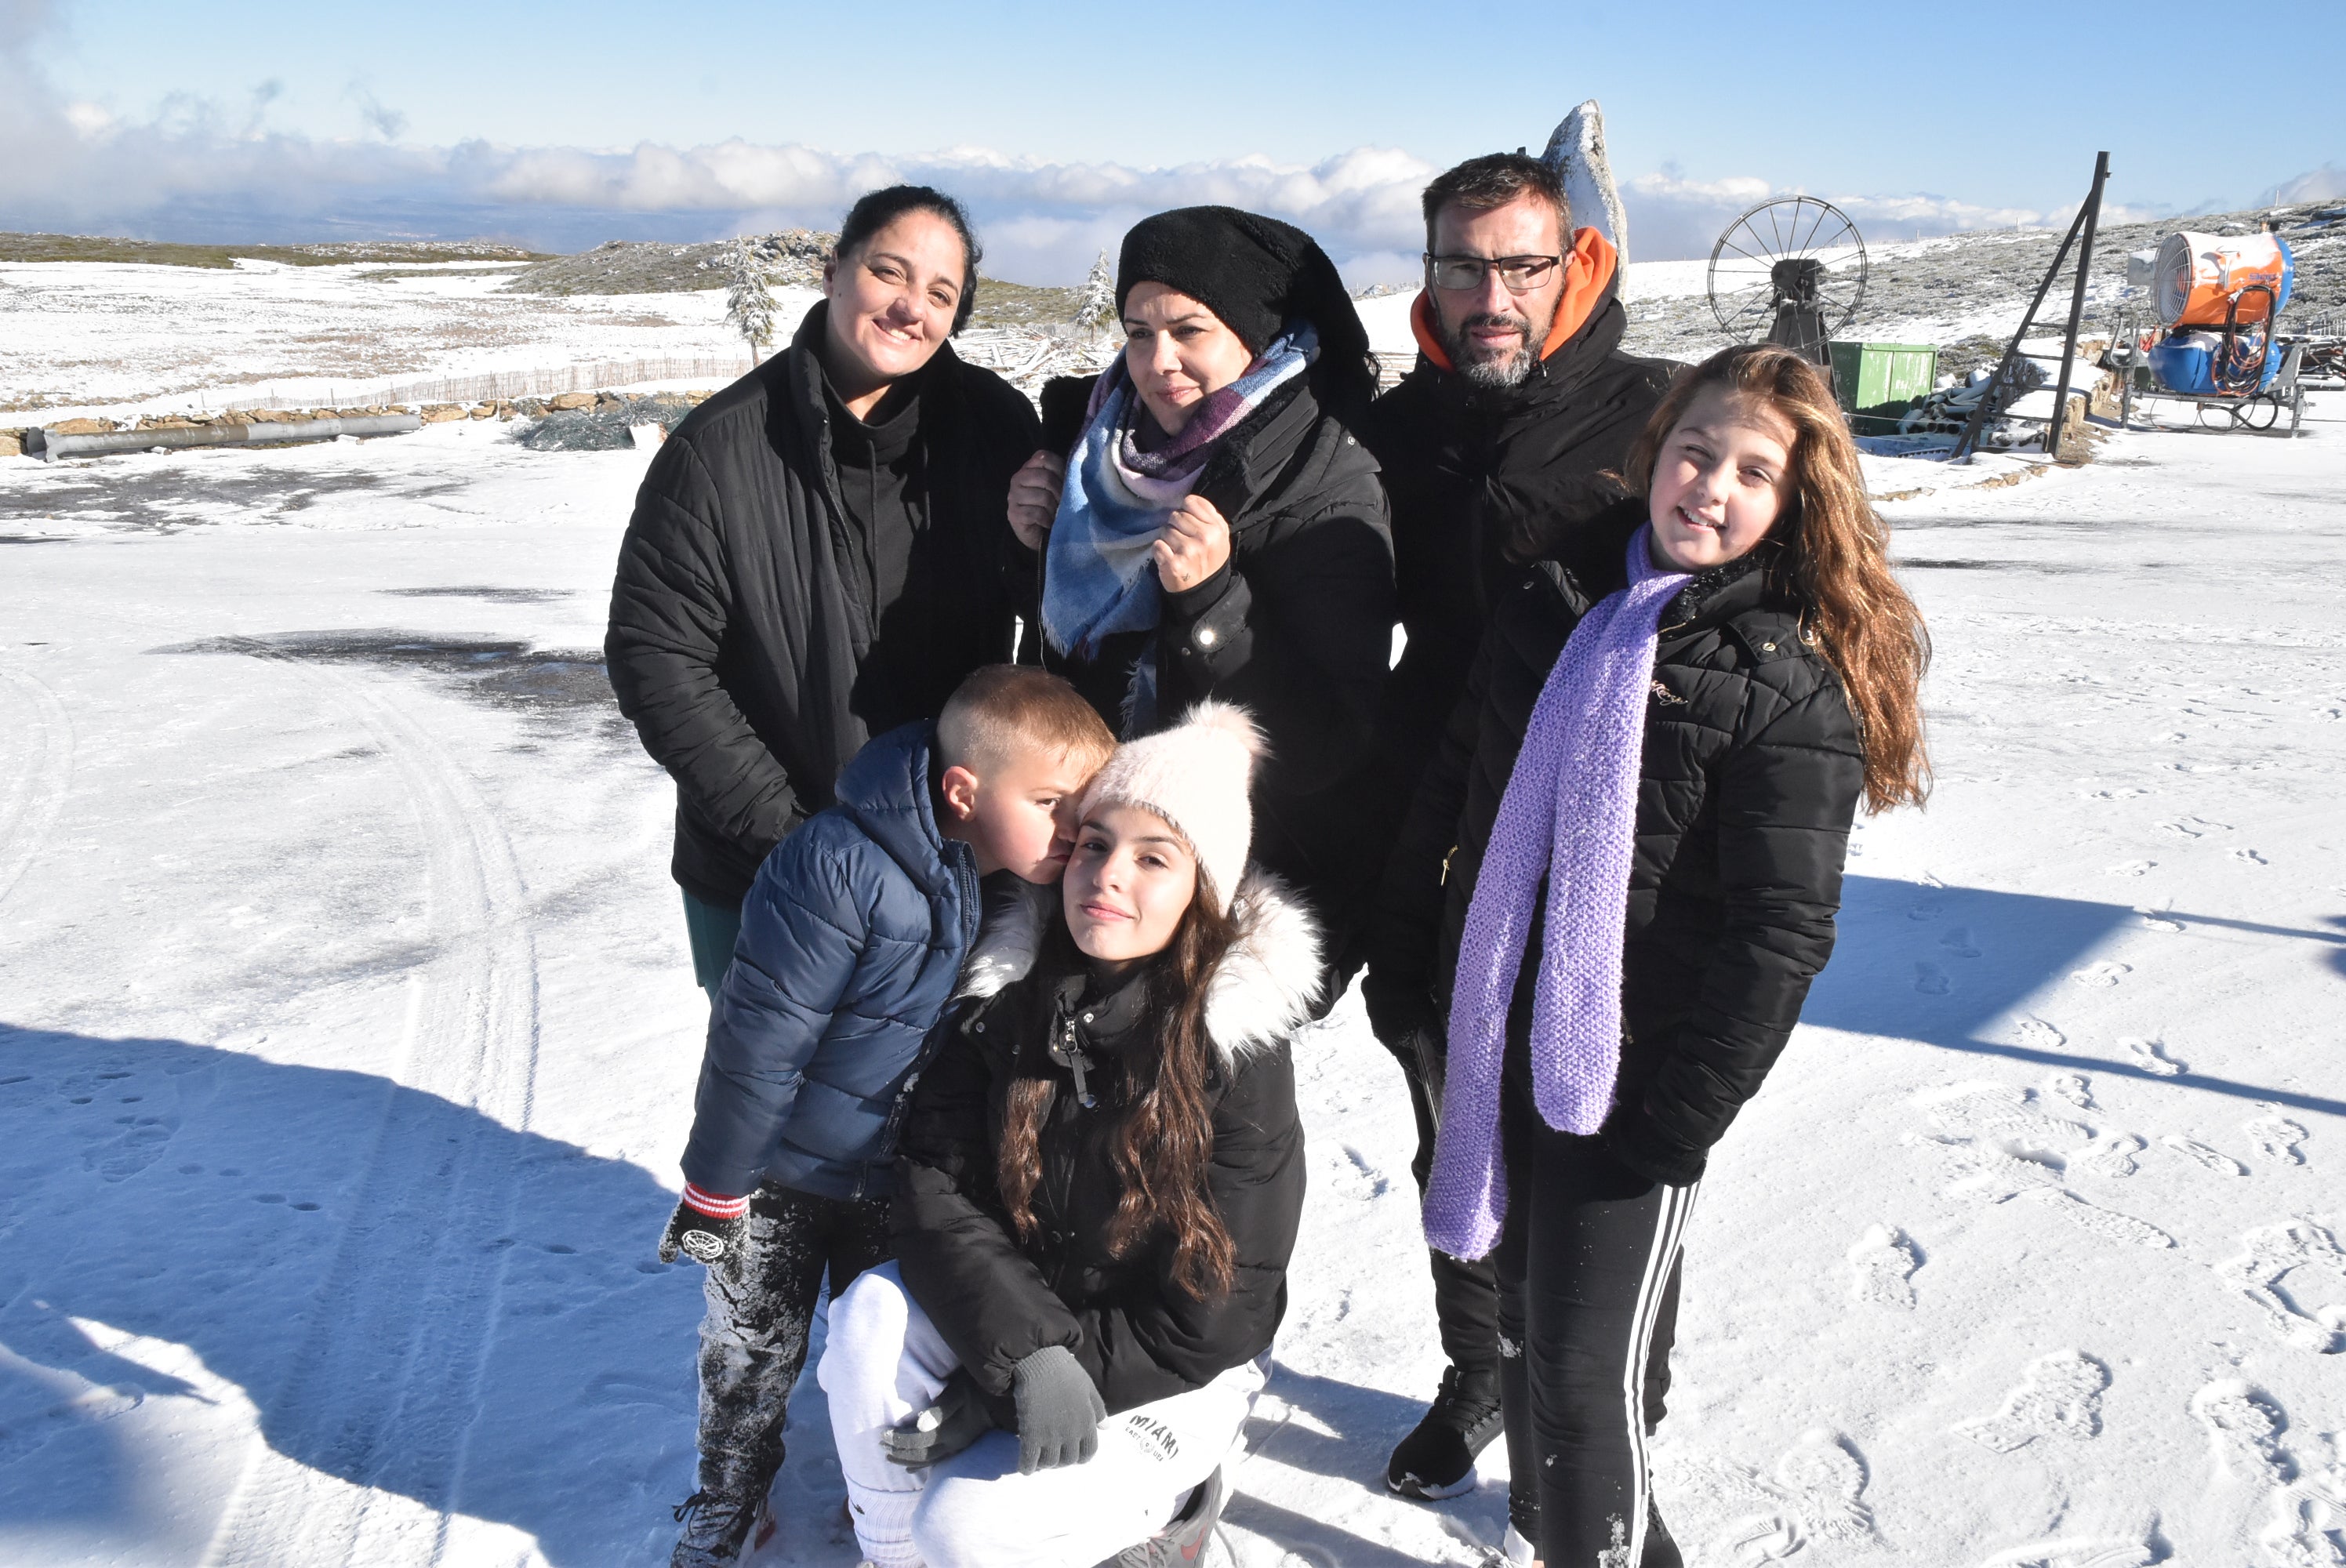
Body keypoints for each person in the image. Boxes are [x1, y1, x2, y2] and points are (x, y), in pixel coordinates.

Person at [1370, 344, 1932, 1564]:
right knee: (1527, 1335)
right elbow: (1458, 786)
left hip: (1634, 1079)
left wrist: (1677, 1119)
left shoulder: (1782, 682)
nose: (1709, 489)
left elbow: (1781, 932)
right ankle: (1573, 1528)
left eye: (1752, 471)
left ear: (1795, 501)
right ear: (1654, 449)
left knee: (1583, 1381)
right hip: (1495, 1030)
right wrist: (1407, 960)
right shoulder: (1553, 600)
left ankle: (1584, 1529)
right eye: (1694, 452)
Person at [1355, 151, 1680, 1502]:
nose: (1492, 292)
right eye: (1462, 264)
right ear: (1428, 272)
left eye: (1519, 264)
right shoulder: (1395, 429)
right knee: (1453, 1135)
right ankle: (1477, 1371)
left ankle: (1599, 1418)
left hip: (1610, 855)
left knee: (1598, 1150)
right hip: (1436, 842)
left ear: (1571, 265)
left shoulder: (1657, 413)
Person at [818, 702, 1318, 1568]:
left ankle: (1177, 1510)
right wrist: (1022, 1353)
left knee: (964, 1525)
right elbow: (935, 1187)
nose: (1107, 874)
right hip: (1036, 1321)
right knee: (870, 1314)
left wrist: (1022, 1378)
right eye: (1095, 842)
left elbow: (1217, 1314)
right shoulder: (1009, 994)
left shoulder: (1235, 1053)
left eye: (1153, 856)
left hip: (1173, 1374)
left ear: (1202, 889)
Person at [656, 666, 1117, 1566]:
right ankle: (728, 1492)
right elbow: (760, 1039)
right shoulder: (838, 865)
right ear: (963, 790)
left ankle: (892, 1517)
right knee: (752, 1350)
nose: (1071, 831)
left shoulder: (1012, 892)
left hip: (897, 1173)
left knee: (891, 1354)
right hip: (781, 1174)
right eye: (1052, 803)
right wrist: (717, 1186)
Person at [608, 186, 1042, 1004]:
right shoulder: (720, 450)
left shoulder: (998, 429)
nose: (910, 306)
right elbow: (657, 656)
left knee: (938, 1119)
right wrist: (799, 841)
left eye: (941, 294)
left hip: (949, 864)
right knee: (771, 1114)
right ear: (834, 268)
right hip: (762, 872)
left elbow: (1047, 616)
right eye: (889, 271)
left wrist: (1035, 548)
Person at [1004, 205, 1393, 956]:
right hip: (1085, 859)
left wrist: (1213, 604)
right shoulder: (1089, 449)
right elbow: (1068, 660)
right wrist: (1031, 551)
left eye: (1189, 331)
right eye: (1139, 333)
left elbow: (1323, 743)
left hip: (1217, 898)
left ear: (1252, 336)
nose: (1158, 363)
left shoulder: (1325, 483)